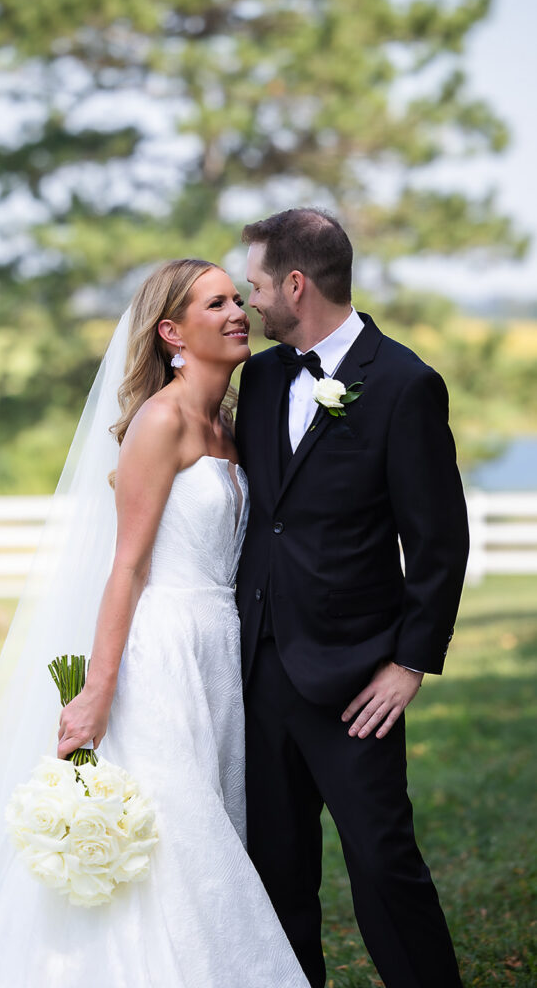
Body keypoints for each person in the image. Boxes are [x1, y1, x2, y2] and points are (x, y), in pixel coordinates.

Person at [0, 259, 311, 988]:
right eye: (216, 304)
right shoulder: (160, 421)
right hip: (159, 650)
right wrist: (99, 688)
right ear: (172, 332)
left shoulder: (226, 423)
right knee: (181, 835)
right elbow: (126, 568)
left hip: (218, 650)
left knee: (208, 823)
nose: (238, 313)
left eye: (239, 299)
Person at [235, 207, 470, 988]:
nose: (247, 302)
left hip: (355, 678)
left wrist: (409, 662)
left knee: (382, 862)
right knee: (276, 870)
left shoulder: (404, 384)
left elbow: (438, 542)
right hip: (258, 666)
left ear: (296, 286)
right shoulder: (262, 375)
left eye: (256, 286)